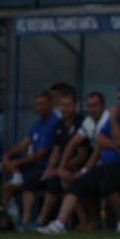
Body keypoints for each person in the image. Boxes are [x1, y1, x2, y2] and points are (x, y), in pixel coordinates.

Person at [39, 86, 120, 235]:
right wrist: (117, 147)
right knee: (77, 183)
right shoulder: (112, 117)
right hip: (106, 164)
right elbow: (100, 138)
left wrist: (113, 121)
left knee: (108, 184)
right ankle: (59, 223)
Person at [0, 91, 58, 230]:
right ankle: (4, 217)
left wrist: (18, 163)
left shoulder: (53, 123)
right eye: (37, 104)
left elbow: (41, 153)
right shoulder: (38, 122)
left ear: (50, 104)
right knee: (8, 164)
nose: (39, 107)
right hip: (33, 164)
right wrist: (8, 154)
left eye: (42, 104)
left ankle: (25, 221)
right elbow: (25, 143)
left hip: (44, 165)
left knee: (29, 181)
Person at [35, 89, 85, 228]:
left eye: (68, 105)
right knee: (48, 180)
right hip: (61, 167)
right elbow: (56, 151)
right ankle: (41, 220)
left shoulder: (81, 122)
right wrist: (50, 169)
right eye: (62, 105)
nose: (65, 109)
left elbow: (82, 155)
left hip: (77, 166)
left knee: (65, 180)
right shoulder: (59, 125)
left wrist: (61, 169)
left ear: (75, 105)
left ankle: (80, 221)